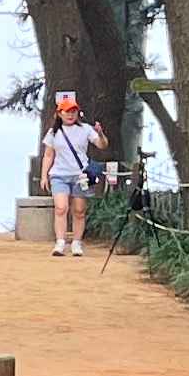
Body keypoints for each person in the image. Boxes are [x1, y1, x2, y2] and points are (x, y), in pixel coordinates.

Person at [42, 93, 108, 256]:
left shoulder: (85, 129)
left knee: (79, 210)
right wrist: (44, 175)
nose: (70, 114)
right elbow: (48, 155)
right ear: (59, 114)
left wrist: (100, 133)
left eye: (73, 111)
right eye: (67, 111)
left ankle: (77, 243)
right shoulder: (53, 132)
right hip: (59, 174)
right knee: (61, 208)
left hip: (81, 175)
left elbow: (102, 145)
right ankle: (60, 242)